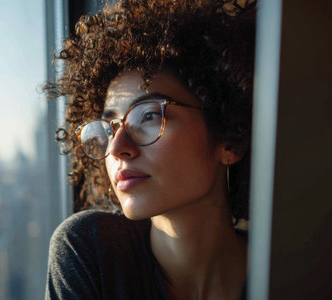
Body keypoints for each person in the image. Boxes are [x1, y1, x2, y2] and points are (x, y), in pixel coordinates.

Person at [45, 0, 255, 299]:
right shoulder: (91, 250)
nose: (117, 148)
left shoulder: (292, 270)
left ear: (230, 140)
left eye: (149, 115)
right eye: (108, 128)